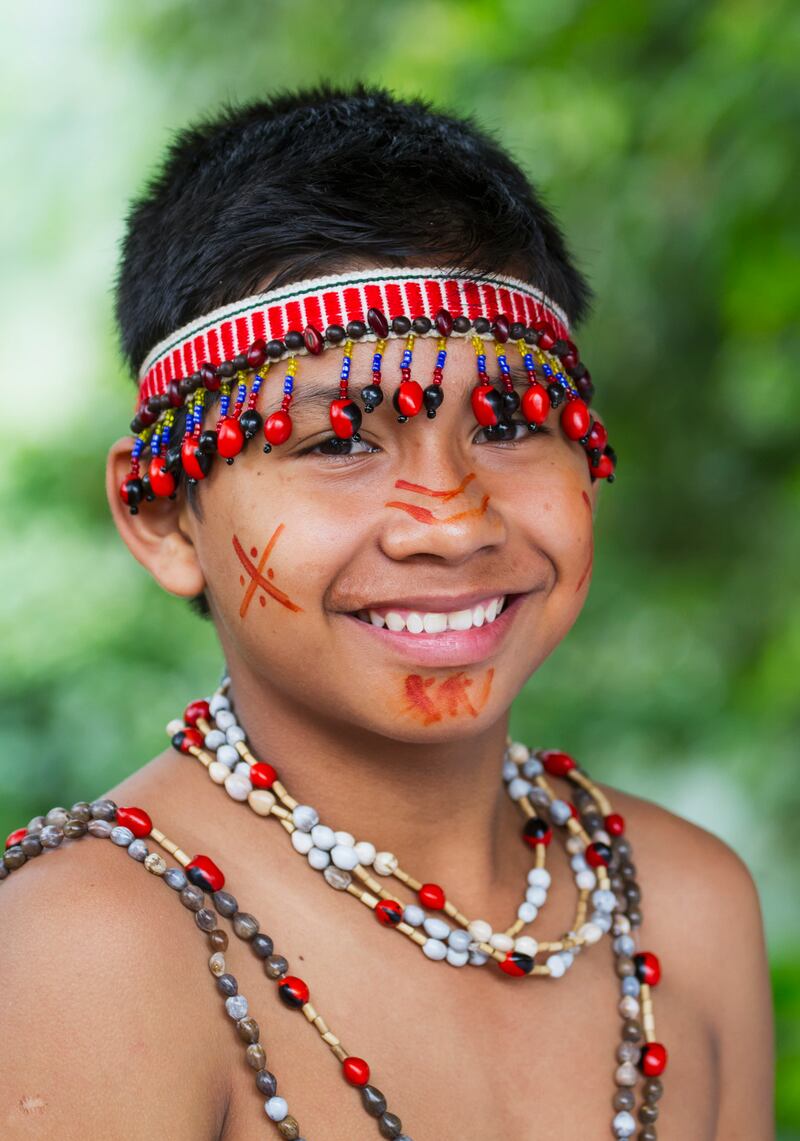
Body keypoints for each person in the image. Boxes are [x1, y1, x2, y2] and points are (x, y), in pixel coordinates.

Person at [0, 83, 774, 1140]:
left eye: (509, 423)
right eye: (334, 442)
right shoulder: (86, 950)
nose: (449, 522)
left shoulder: (685, 906)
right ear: (163, 515)